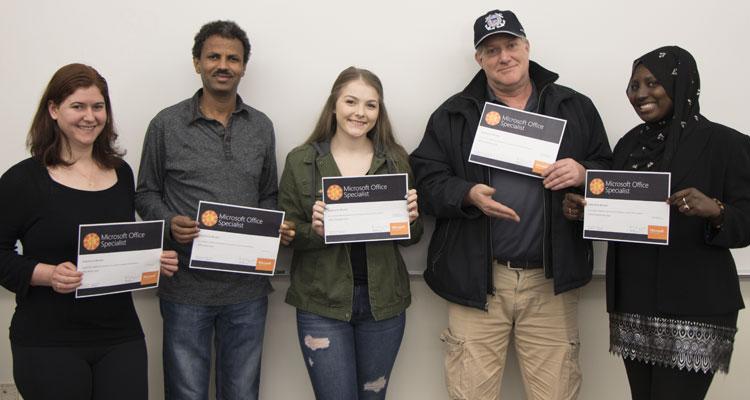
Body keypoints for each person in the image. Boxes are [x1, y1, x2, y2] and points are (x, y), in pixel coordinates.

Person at [410, 10, 612, 400]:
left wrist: (584, 171)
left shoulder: (574, 107)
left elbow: (609, 170)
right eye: (492, 50)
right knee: (470, 393)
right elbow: (427, 181)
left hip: (550, 281)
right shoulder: (453, 113)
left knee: (556, 393)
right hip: (479, 280)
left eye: (511, 45)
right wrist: (466, 194)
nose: (504, 56)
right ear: (479, 59)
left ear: (527, 47)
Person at [563, 46, 749, 400]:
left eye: (653, 83)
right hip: (634, 302)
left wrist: (716, 209)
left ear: (681, 84)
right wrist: (587, 211)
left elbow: (746, 221)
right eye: (634, 85)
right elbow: (620, 210)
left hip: (695, 306)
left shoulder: (726, 144)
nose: (641, 93)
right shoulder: (629, 144)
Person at [134, 21, 293, 400]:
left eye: (232, 59)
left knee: (241, 393)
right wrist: (170, 223)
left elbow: (268, 195)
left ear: (243, 67)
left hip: (247, 291)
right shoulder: (166, 124)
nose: (223, 65)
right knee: (185, 393)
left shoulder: (261, 126)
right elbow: (144, 193)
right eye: (214, 57)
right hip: (185, 290)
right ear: (197, 63)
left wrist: (273, 226)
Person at [0, 63, 178, 400]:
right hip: (47, 340)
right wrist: (46, 274)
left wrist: (152, 260)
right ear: (53, 110)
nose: (90, 117)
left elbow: (115, 247)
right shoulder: (23, 180)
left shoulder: (122, 174)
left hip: (120, 336)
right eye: (77, 106)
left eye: (98, 107)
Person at [278, 66, 423, 399]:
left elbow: (412, 237)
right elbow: (285, 233)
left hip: (383, 303)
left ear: (379, 112)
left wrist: (412, 220)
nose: (360, 113)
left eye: (371, 105)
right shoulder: (301, 160)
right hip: (322, 305)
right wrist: (314, 230)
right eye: (351, 102)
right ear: (334, 106)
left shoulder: (396, 161)